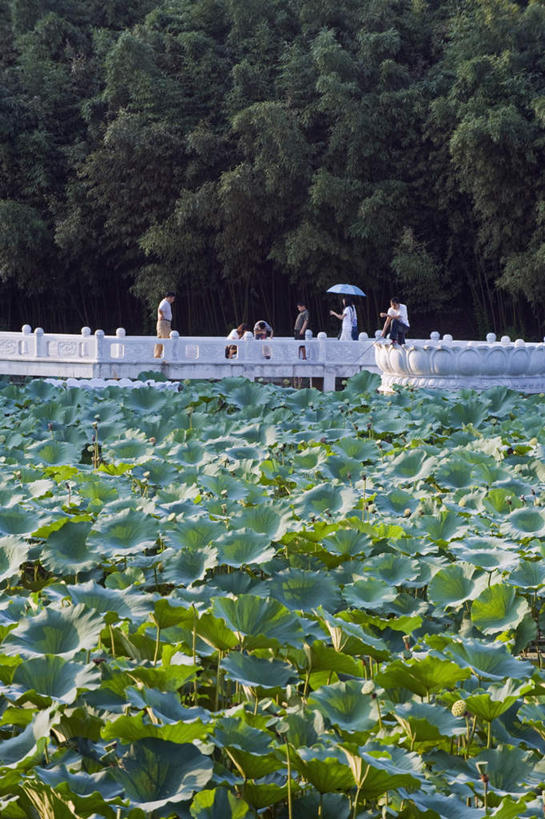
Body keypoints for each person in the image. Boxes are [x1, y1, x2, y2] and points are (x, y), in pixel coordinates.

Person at [154, 291, 175, 359]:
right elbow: (160, 309)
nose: (173, 300)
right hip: (164, 323)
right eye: (173, 298)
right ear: (169, 297)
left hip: (165, 323)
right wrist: (161, 315)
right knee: (166, 338)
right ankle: (165, 355)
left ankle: (157, 356)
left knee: (161, 339)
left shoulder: (166, 303)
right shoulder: (165, 303)